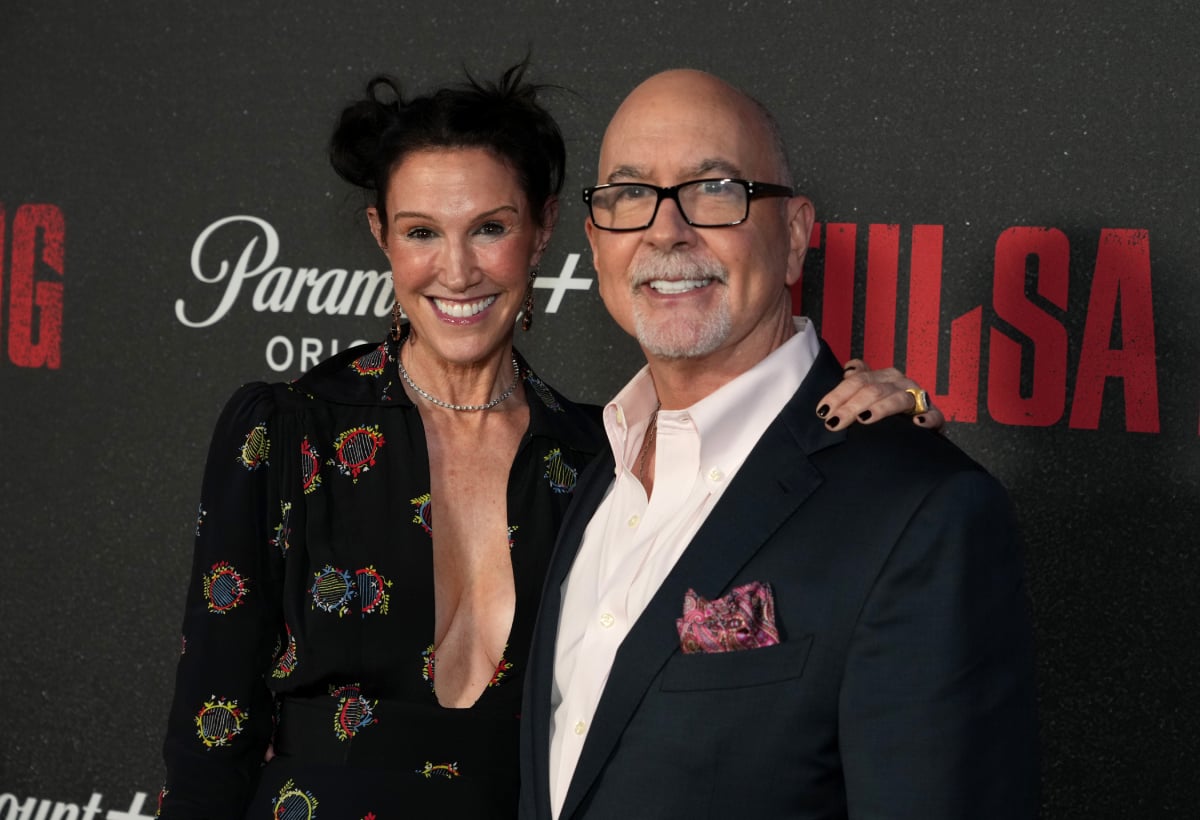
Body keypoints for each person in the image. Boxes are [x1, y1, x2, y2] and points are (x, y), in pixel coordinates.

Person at [158, 62, 942, 818]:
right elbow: (209, 738)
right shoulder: (290, 434)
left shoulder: (602, 460)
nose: (456, 270)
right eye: (422, 231)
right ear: (380, 237)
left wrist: (890, 408)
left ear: (543, 232)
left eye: (491, 228)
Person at [518, 69, 1038, 820]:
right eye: (630, 194)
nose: (667, 230)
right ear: (597, 246)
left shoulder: (921, 514)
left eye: (714, 189)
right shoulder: (591, 472)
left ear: (794, 236)